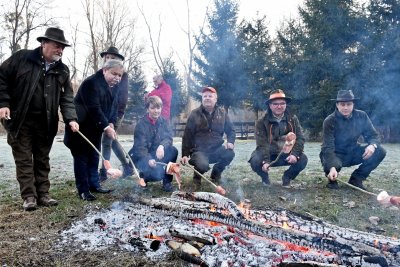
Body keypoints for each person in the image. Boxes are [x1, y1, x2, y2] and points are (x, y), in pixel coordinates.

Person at [0, 27, 79, 211]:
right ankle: (29, 196)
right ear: (44, 43)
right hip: (20, 119)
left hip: (46, 123)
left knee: (42, 159)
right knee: (24, 159)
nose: (60, 50)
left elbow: (67, 98)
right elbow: (1, 77)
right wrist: (3, 102)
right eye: (57, 46)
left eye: (63, 47)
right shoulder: (22, 58)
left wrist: (71, 118)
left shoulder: (63, 70)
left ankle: (43, 194)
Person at [64, 59, 124, 201]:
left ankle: (94, 185)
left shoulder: (114, 87)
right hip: (80, 128)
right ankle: (83, 190)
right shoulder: (90, 83)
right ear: (104, 70)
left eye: (120, 75)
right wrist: (105, 126)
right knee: (82, 159)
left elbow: (114, 108)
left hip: (95, 129)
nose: (117, 77)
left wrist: (111, 123)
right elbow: (94, 108)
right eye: (114, 73)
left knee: (94, 157)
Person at [320, 90, 386, 190]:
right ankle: (332, 180)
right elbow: (327, 147)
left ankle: (356, 179)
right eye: (342, 104)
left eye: (348, 104)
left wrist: (372, 145)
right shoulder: (329, 121)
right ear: (337, 105)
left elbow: (374, 135)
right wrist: (332, 167)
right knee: (332, 162)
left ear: (353, 104)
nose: (345, 107)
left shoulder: (362, 116)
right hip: (334, 153)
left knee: (380, 151)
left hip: (352, 152)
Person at [248, 89, 308, 187]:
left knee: (303, 159)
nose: (279, 106)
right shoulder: (262, 121)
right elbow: (262, 144)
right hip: (269, 153)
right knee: (255, 160)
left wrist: (294, 154)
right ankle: (265, 178)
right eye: (275, 104)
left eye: (282, 103)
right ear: (270, 105)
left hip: (287, 153)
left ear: (286, 104)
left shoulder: (293, 118)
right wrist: (266, 161)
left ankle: (287, 177)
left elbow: (300, 138)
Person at [181, 87, 235, 190]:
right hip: (199, 151)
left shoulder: (222, 113)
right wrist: (185, 154)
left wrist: (231, 142)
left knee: (229, 153)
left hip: (216, 150)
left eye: (210, 96)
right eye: (205, 96)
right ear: (202, 99)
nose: (207, 98)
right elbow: (187, 135)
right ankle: (196, 179)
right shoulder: (194, 114)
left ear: (216, 99)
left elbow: (231, 131)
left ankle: (216, 173)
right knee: (202, 165)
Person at [128, 96, 178, 192]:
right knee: (156, 176)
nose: (156, 111)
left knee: (173, 151)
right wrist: (148, 159)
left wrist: (162, 146)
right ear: (148, 109)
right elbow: (140, 147)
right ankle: (144, 178)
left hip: (157, 153)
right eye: (152, 108)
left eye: (158, 108)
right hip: (143, 156)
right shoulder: (141, 125)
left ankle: (167, 182)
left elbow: (169, 138)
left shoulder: (163, 122)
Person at [98, 46, 132, 182]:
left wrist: (116, 116)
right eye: (107, 57)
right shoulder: (101, 74)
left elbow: (122, 97)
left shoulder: (122, 75)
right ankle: (127, 166)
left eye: (112, 57)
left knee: (106, 141)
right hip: (104, 111)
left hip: (116, 112)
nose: (109, 59)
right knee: (113, 140)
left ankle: (104, 171)